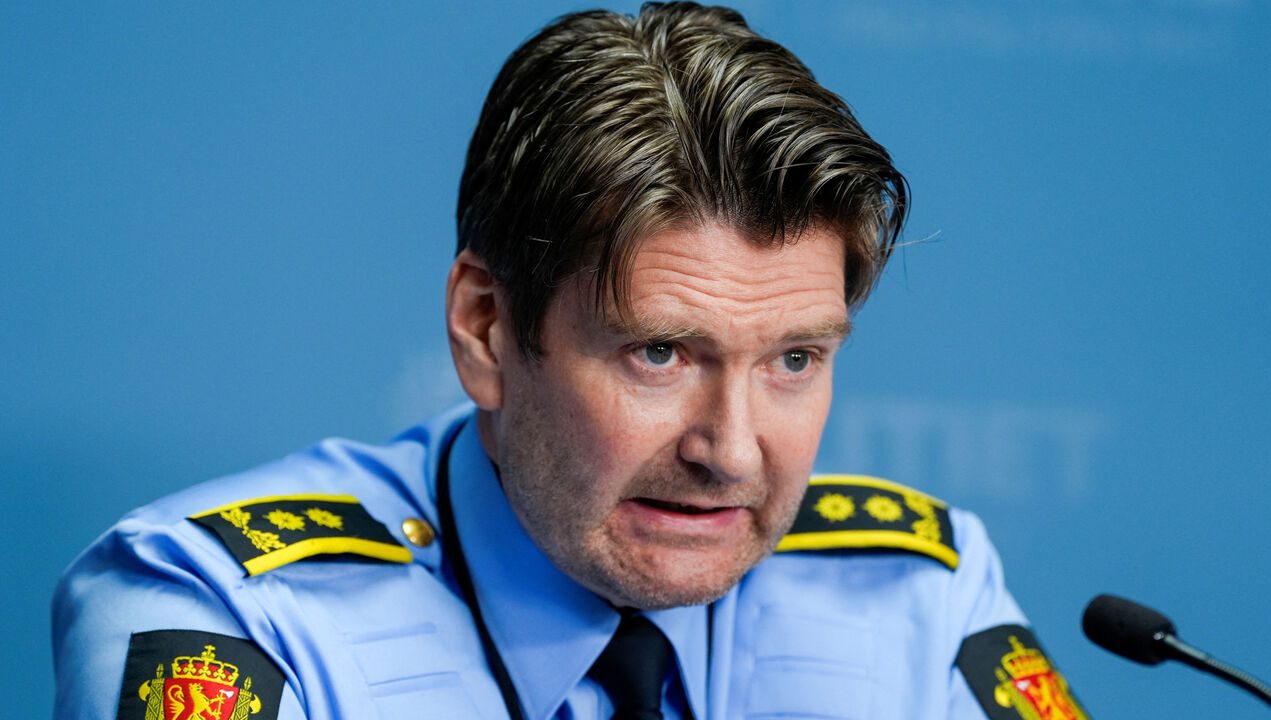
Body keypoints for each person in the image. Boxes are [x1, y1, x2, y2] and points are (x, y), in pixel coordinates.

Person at [53, 3, 1089, 719]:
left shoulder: (917, 595)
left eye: (794, 359)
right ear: (486, 328)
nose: (731, 452)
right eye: (659, 353)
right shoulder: (227, 614)